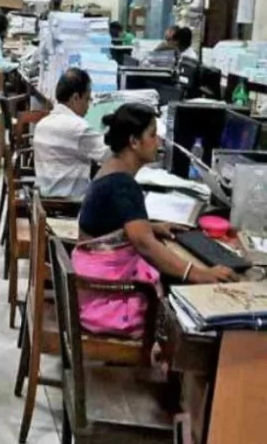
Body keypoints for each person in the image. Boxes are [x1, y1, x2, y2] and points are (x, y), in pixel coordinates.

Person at [73, 103, 238, 338]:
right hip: (109, 299)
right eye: (152, 135)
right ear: (134, 141)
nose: (158, 141)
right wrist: (198, 273)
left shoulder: (110, 169)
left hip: (91, 290)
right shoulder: (123, 185)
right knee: (186, 302)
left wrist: (150, 227)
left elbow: (111, 223)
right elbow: (145, 246)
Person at [33, 68, 110, 200]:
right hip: (70, 202)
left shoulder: (42, 124)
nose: (88, 106)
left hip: (44, 197)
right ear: (75, 98)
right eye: (87, 99)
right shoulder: (78, 127)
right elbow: (108, 155)